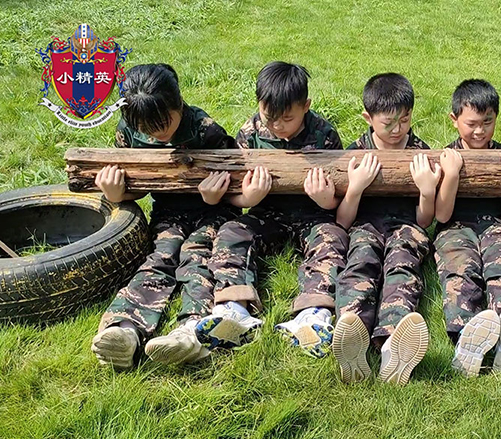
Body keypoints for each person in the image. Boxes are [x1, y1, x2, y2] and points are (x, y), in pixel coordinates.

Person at [192, 61, 348, 358]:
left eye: (287, 118)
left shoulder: (324, 134)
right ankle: (233, 308)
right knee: (231, 232)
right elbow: (233, 194)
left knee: (333, 240)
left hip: (314, 214)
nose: (277, 126)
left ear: (306, 106)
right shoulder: (250, 133)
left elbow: (339, 193)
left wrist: (326, 200)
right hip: (266, 214)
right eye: (269, 117)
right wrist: (248, 197)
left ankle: (314, 314)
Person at [91, 63, 240, 369]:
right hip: (169, 212)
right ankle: (125, 329)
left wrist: (215, 196)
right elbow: (136, 182)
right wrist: (116, 193)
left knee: (197, 257)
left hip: (213, 211)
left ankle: (192, 331)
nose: (157, 133)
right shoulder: (129, 130)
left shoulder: (205, 130)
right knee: (160, 257)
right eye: (148, 128)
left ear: (179, 103)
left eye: (164, 123)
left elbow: (235, 182)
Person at [332, 73, 437, 384]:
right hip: (364, 225)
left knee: (402, 267)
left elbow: (424, 221)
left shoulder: (420, 152)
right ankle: (353, 335)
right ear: (368, 118)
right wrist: (355, 187)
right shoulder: (356, 153)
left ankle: (392, 344)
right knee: (360, 263)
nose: (397, 130)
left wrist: (427, 190)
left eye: (404, 120)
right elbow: (343, 221)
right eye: (388, 123)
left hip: (407, 226)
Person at [433, 79, 501, 377]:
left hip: (497, 225)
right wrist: (451, 176)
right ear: (454, 120)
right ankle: (465, 338)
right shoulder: (447, 157)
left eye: (487, 122)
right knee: (459, 270)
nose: (479, 131)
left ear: (496, 118)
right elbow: (442, 214)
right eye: (471, 124)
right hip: (454, 228)